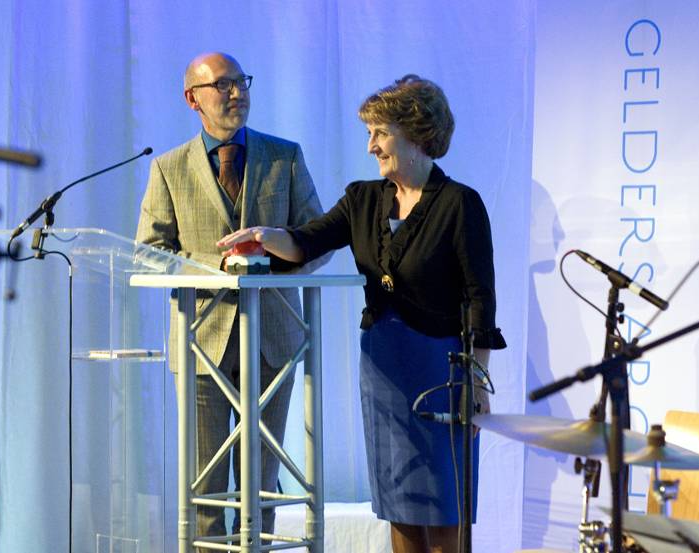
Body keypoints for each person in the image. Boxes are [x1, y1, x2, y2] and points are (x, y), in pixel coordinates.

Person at [218, 75, 506, 553]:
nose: (371, 146)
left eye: (380, 132)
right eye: (369, 134)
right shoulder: (362, 199)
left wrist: (477, 385)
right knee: (400, 504)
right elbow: (307, 240)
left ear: (415, 133)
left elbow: (481, 299)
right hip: (383, 372)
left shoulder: (460, 204)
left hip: (443, 373)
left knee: (445, 508)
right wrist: (266, 236)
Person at [135, 52, 330, 544]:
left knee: (259, 491)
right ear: (192, 99)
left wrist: (270, 257)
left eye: (241, 81)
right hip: (202, 344)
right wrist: (214, 265)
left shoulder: (284, 156)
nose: (236, 92)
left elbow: (316, 239)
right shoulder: (168, 168)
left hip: (275, 344)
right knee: (204, 488)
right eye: (222, 85)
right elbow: (149, 254)